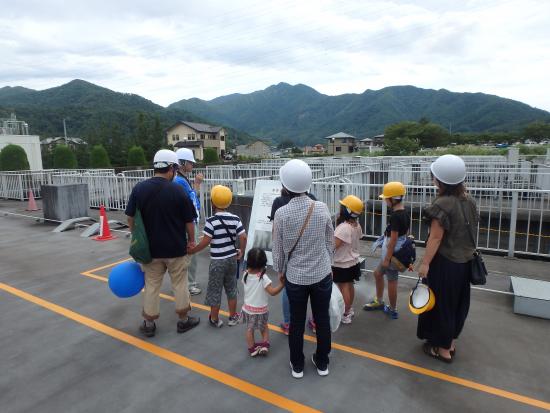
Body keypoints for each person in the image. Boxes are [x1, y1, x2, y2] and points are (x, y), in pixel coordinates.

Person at [125, 149, 200, 337]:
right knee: (180, 284)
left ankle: (149, 324)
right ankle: (183, 321)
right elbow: (189, 221)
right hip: (175, 248)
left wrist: (136, 235)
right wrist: (191, 241)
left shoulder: (139, 189)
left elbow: (130, 216)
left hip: (151, 250)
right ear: (173, 168)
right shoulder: (178, 190)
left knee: (151, 285)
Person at [273, 159, 334, 378]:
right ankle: (322, 362)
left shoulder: (281, 214)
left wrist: (280, 270)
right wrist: (329, 264)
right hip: (322, 274)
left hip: (296, 277)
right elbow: (330, 241)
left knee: (297, 322)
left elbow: (278, 250)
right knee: (322, 320)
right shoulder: (321, 208)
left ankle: (297, 365)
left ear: (285, 185)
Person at [416, 154, 478, 363]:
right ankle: (449, 344)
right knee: (458, 303)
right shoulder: (468, 200)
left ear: (438, 179)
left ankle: (441, 351)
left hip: (445, 263)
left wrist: (424, 263)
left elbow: (436, 237)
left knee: (442, 305)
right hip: (465, 262)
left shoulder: (442, 204)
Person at [189, 185, 247, 328]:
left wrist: (193, 250)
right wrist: (242, 251)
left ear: (213, 203)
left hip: (217, 261)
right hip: (232, 259)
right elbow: (243, 237)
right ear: (229, 203)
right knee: (231, 288)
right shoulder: (235, 218)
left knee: (215, 289)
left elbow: (206, 241)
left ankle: (214, 319)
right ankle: (233, 317)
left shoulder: (211, 221)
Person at [269, 187, 317, 336]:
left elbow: (276, 234)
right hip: (311, 252)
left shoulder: (279, 201)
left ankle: (289, 323)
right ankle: (315, 322)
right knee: (314, 291)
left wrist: (279, 268)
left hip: (290, 255)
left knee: (288, 290)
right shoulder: (313, 199)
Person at [363, 181, 410, 320]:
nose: (384, 200)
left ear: (392, 199)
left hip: (392, 253)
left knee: (392, 280)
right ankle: (379, 300)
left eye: (386, 198)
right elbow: (405, 232)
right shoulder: (404, 212)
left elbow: (393, 239)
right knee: (377, 274)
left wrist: (387, 259)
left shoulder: (396, 216)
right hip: (393, 250)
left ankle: (393, 308)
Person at [241, 248, 285, 357]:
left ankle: (252, 349)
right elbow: (272, 292)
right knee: (264, 327)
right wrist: (282, 285)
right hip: (261, 310)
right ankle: (265, 345)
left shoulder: (245, 274)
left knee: (249, 329)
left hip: (248, 309)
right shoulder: (263, 277)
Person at [175, 148, 204, 296]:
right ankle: (189, 284)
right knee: (191, 254)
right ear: (183, 163)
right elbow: (192, 200)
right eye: (190, 162)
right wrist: (197, 184)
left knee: (187, 255)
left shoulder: (179, 179)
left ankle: (185, 283)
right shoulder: (180, 181)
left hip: (184, 222)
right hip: (188, 222)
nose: (192, 165)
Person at [332, 195, 364, 324]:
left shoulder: (344, 227)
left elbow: (334, 245)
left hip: (342, 263)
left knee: (344, 287)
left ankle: (345, 313)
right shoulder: (356, 225)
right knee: (350, 285)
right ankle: (349, 310)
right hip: (353, 262)